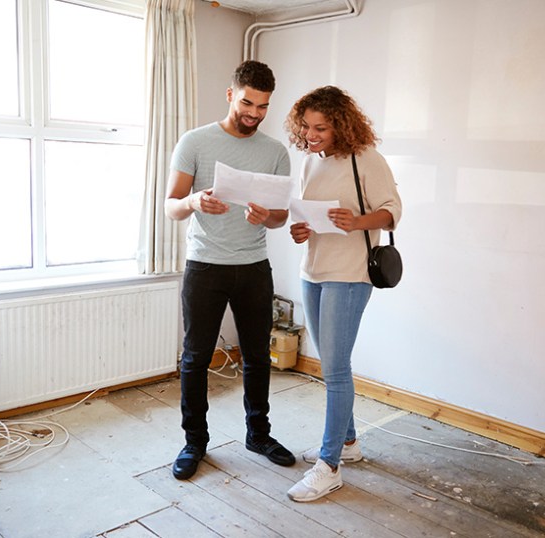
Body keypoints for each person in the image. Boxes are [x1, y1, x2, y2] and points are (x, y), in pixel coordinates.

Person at [164, 60, 295, 481]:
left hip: (254, 266)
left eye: (263, 106)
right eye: (247, 102)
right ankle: (194, 442)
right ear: (230, 94)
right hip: (205, 267)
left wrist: (267, 217)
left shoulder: (275, 152)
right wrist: (194, 202)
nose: (254, 113)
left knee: (258, 356)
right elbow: (171, 206)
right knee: (196, 358)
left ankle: (258, 435)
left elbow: (279, 217)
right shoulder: (195, 142)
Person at [283, 86, 402, 502]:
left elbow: (392, 211)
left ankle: (329, 465)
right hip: (312, 269)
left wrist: (357, 222)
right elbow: (304, 216)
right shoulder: (309, 162)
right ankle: (349, 444)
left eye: (321, 128)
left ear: (342, 124)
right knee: (329, 363)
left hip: (350, 274)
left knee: (334, 369)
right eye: (306, 127)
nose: (311, 135)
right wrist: (300, 230)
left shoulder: (366, 159)